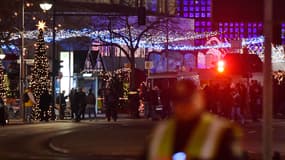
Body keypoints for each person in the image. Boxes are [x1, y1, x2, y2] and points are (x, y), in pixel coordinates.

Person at [146, 79, 243, 160]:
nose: (184, 106)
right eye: (179, 101)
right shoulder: (161, 132)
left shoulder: (221, 131)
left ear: (200, 98)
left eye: (188, 100)